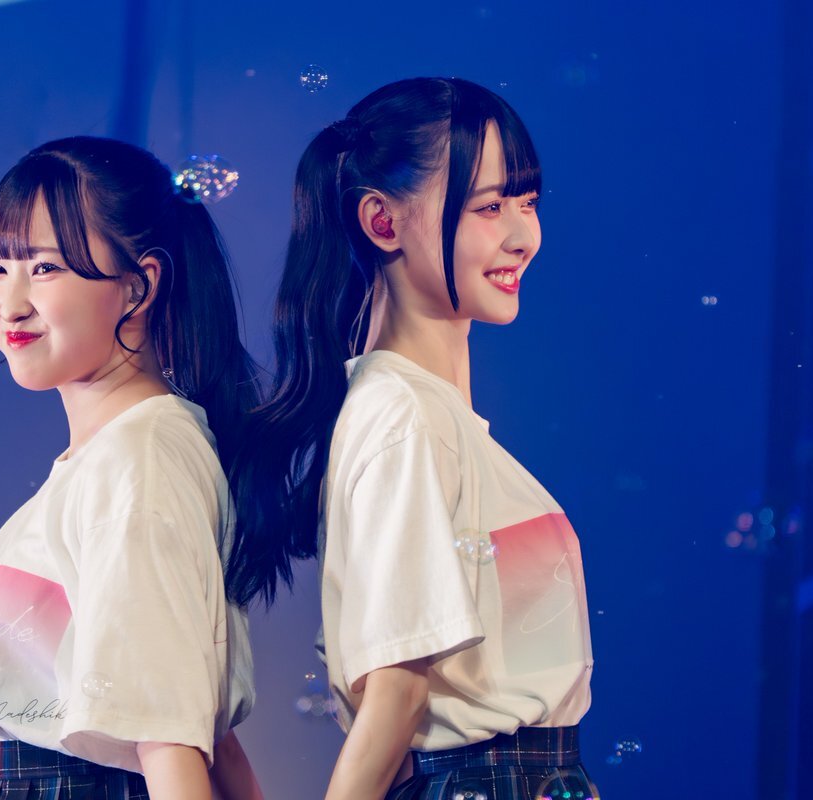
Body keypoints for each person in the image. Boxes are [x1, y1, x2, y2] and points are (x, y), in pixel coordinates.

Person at [227, 78, 597, 799]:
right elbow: (394, 700)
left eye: (527, 202)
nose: (523, 235)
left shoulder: (421, 415)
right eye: (489, 206)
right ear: (382, 222)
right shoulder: (402, 417)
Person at [0, 136, 263, 800]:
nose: (10, 303)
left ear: (139, 285)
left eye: (45, 267)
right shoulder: (130, 452)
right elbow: (200, 725)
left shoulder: (138, 459)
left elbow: (171, 739)